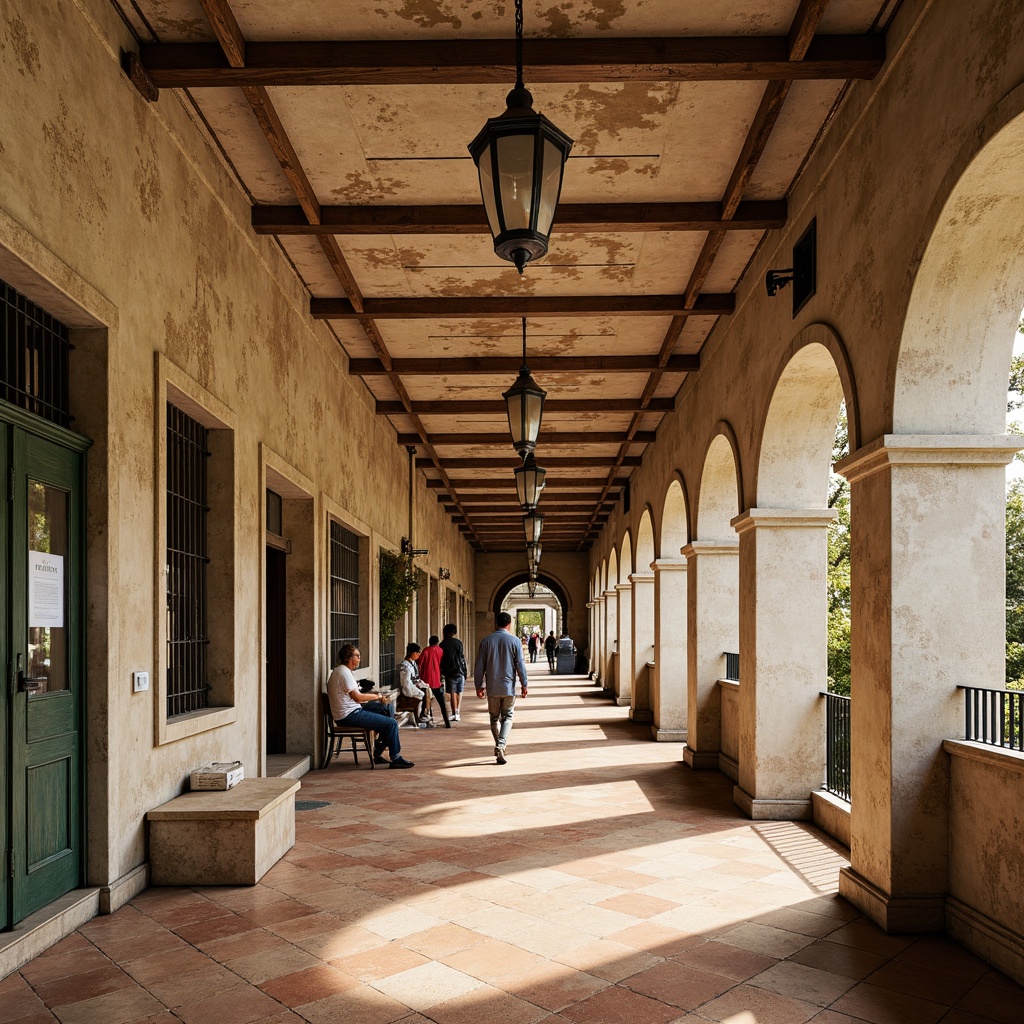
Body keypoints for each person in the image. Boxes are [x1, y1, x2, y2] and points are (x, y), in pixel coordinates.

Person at [327, 645, 413, 768]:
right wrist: (377, 697)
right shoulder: (344, 673)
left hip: (352, 711)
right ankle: (395, 757)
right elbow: (358, 697)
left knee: (387, 708)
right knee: (391, 723)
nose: (359, 658)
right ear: (349, 658)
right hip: (350, 716)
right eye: (357, 656)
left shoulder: (341, 671)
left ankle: (379, 747)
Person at [474, 611, 528, 765]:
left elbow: (480, 666)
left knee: (493, 718)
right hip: (508, 686)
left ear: (496, 623)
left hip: (492, 687)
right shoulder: (515, 641)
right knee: (508, 716)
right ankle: (501, 745)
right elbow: (520, 664)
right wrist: (524, 683)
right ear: (509, 624)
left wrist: (479, 685)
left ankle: (499, 745)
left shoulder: (485, 641)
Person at [417, 635, 450, 727]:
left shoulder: (425, 651)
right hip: (437, 680)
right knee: (442, 702)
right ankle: (447, 722)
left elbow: (420, 664)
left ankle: (428, 720)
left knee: (426, 702)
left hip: (426, 680)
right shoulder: (440, 651)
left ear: (429, 642)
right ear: (437, 642)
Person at [439, 622, 468, 722]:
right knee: (459, 692)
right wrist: (465, 671)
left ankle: (454, 713)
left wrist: (441, 671)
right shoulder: (459, 643)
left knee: (452, 693)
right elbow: (462, 658)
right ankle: (457, 712)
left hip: (449, 671)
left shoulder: (442, 644)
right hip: (460, 670)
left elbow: (442, 660)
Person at [399, 643, 432, 726]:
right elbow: (406, 682)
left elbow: (416, 677)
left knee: (427, 690)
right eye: (418, 653)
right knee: (423, 694)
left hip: (415, 685)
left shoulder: (413, 663)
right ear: (413, 653)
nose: (419, 655)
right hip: (409, 689)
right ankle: (421, 716)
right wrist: (412, 691)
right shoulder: (405, 665)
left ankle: (425, 714)